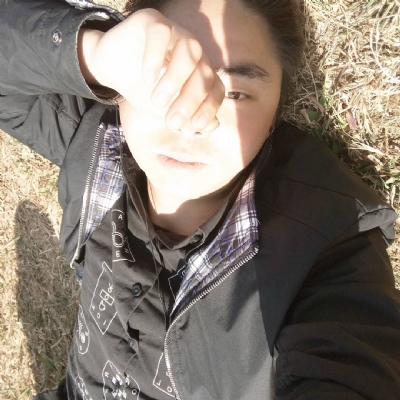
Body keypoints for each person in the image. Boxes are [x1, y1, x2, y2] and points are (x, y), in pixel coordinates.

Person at [1, 0, 400, 399]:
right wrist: (92, 53)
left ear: (276, 110)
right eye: (165, 77)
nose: (189, 122)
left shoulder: (326, 252)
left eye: (236, 94)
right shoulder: (93, 139)